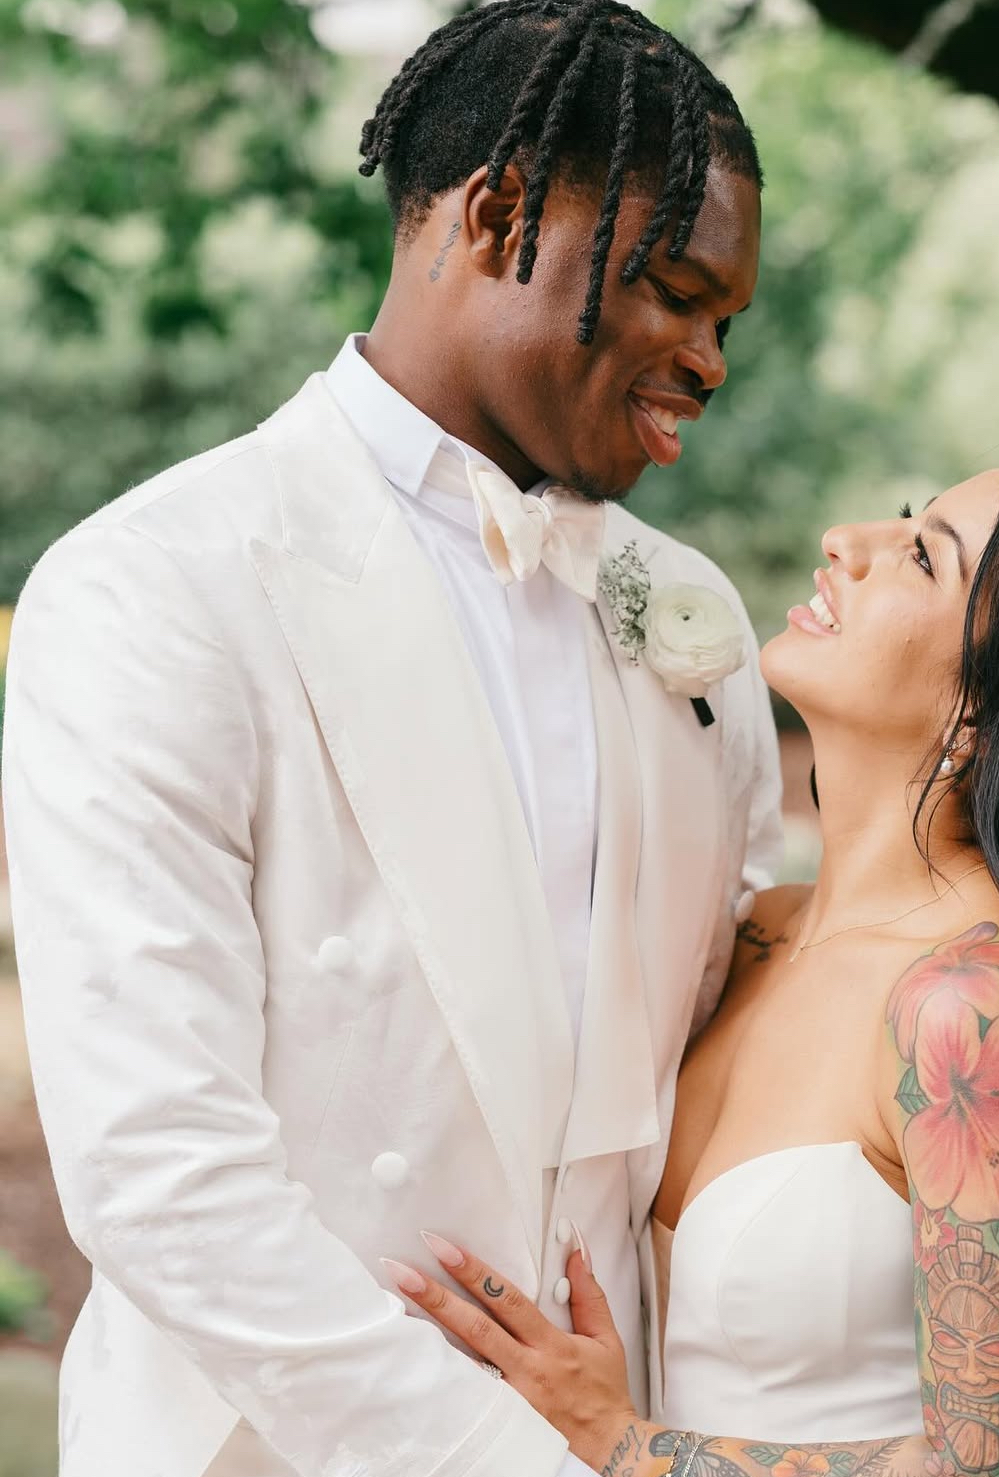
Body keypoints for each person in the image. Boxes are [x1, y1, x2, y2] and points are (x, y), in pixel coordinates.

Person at [1, 5, 781, 1477]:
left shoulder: (690, 616)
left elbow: (719, 1075)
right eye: (677, 293)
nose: (710, 360)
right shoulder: (158, 585)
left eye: (725, 323)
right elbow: (160, 1170)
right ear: (497, 217)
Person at [383, 454, 999, 1477]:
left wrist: (628, 1444)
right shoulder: (757, 935)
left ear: (983, 713)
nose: (845, 544)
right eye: (903, 519)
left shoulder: (972, 1009)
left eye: (923, 557)